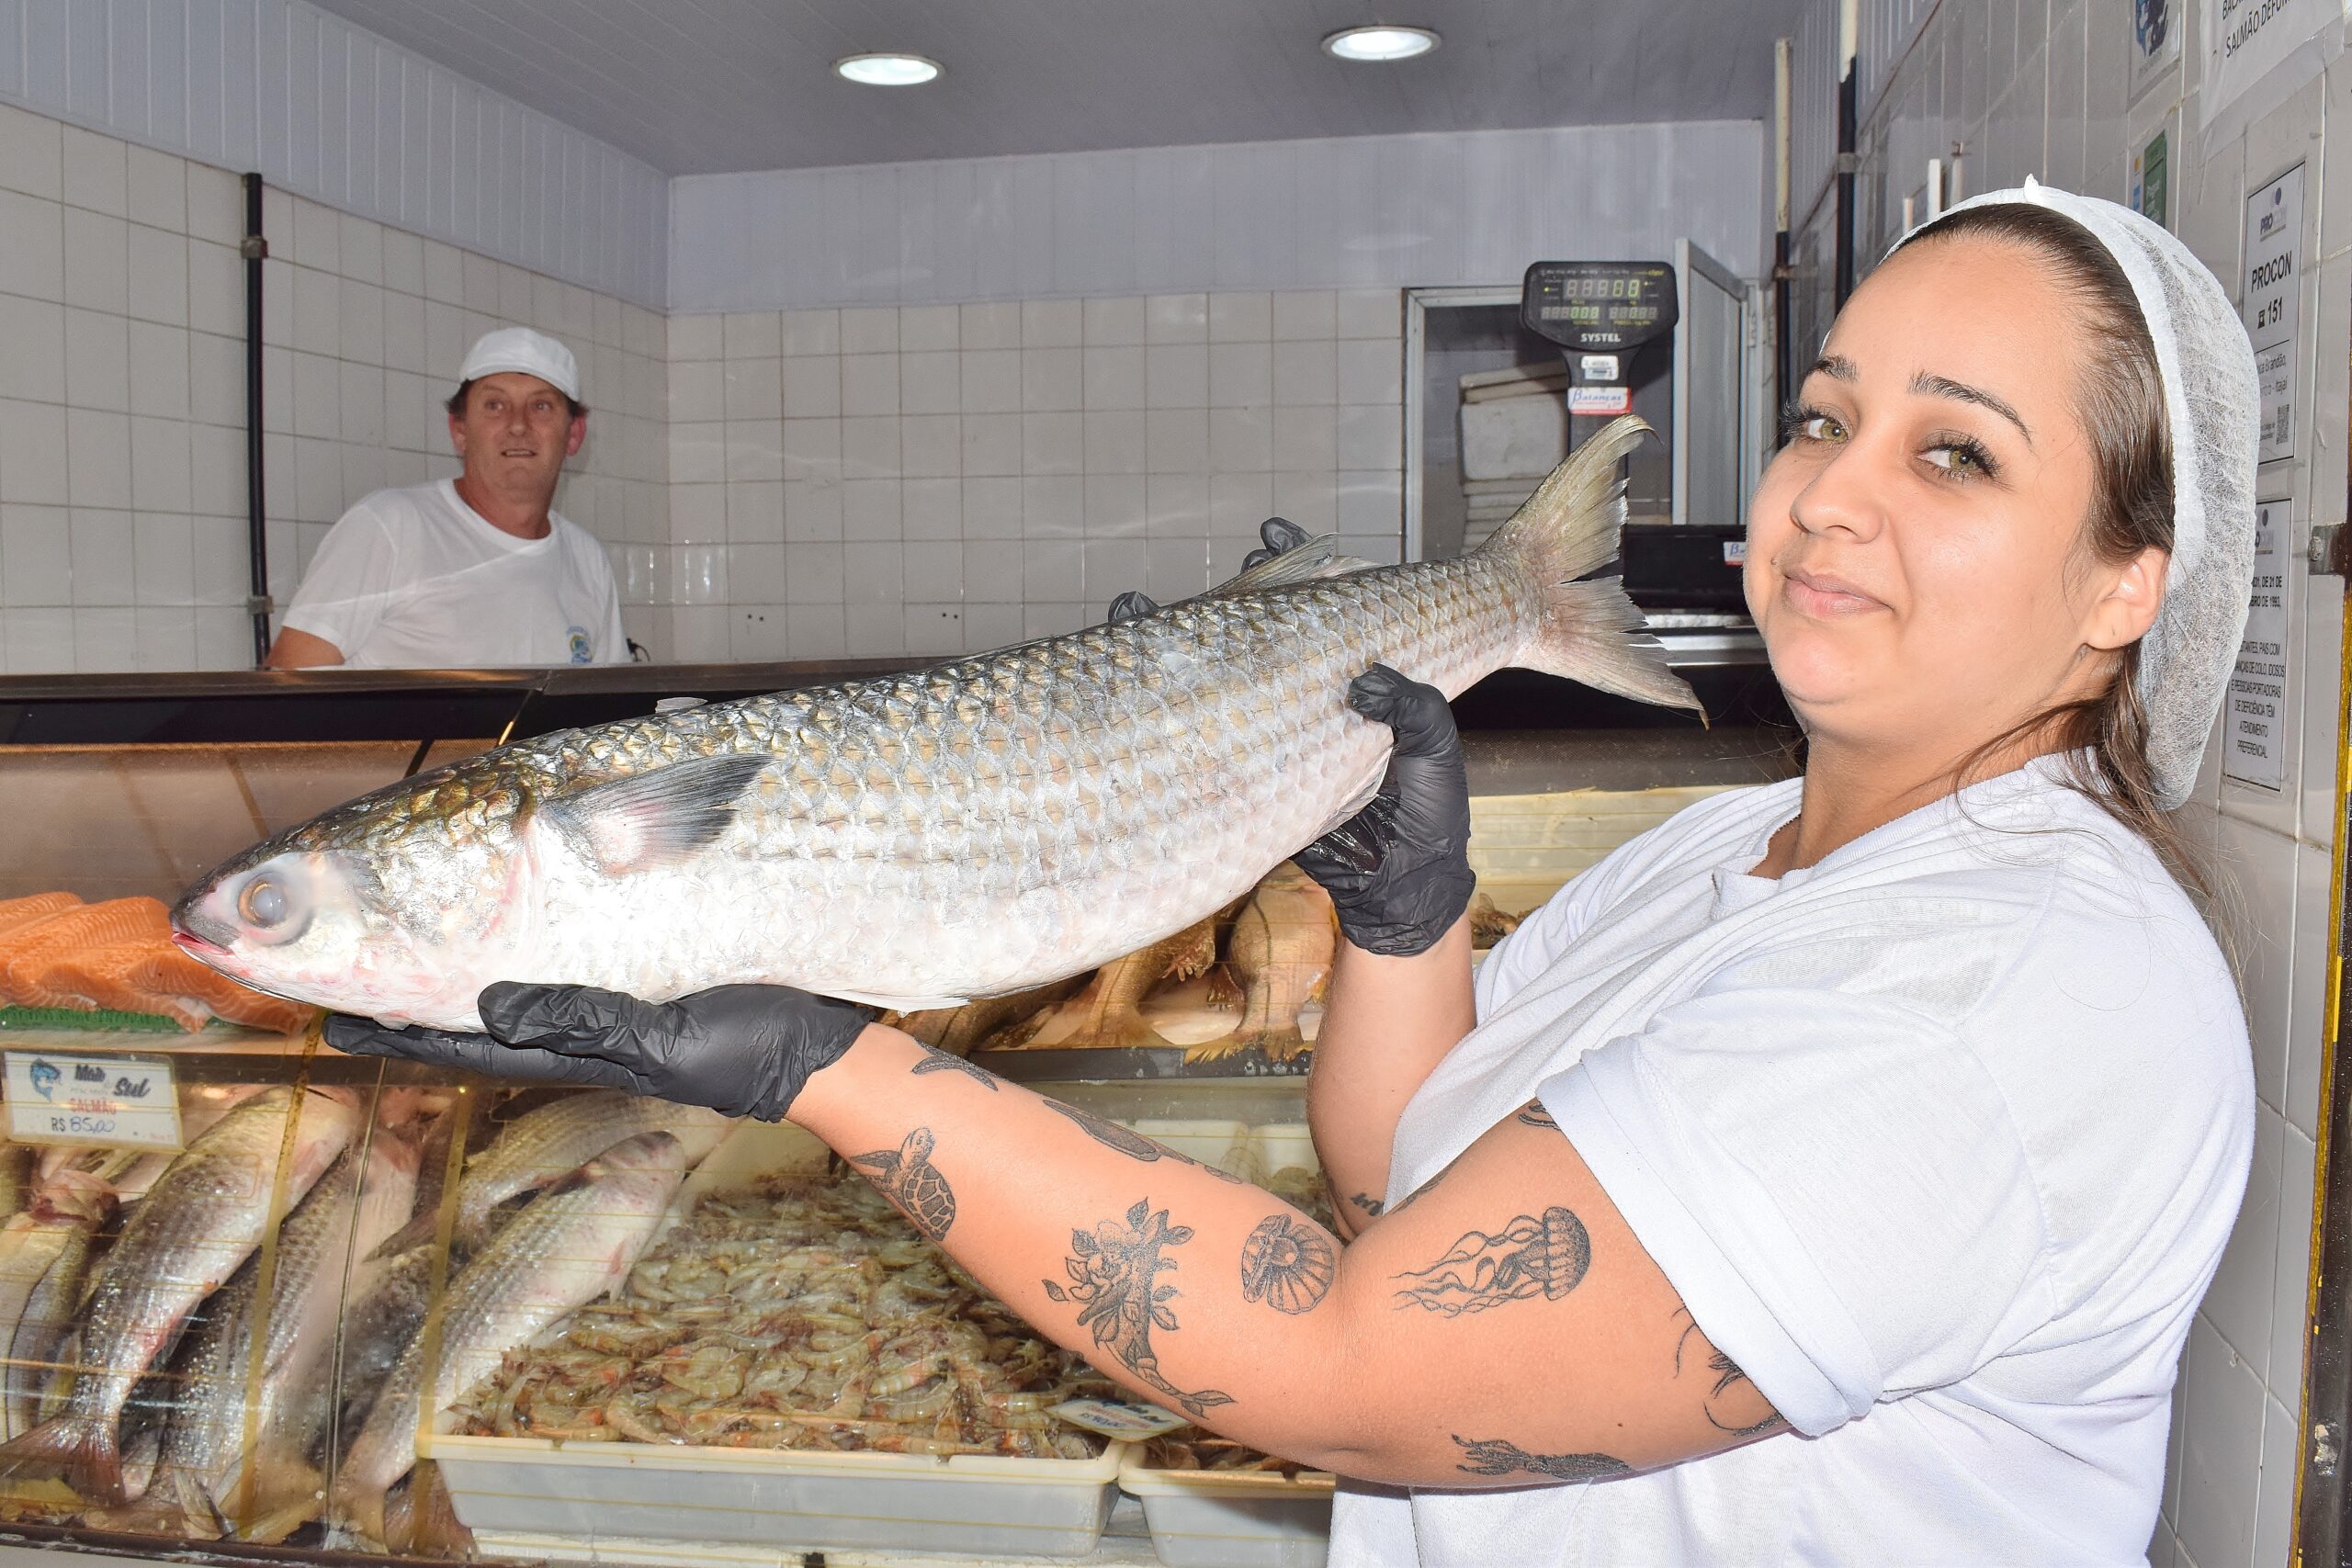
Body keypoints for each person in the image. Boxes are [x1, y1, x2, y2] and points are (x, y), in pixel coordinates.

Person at [331, 184, 2258, 1566]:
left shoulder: (2002, 991)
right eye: (1826, 414)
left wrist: (829, 1066)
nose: (1830, 489)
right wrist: (1403, 928)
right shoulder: (1724, 848)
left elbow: (1349, 1363)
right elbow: (1401, 1196)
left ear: (2123, 585)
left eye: (1956, 457)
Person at [266, 327, 629, 669]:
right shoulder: (390, 527)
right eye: (494, 405)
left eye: (541, 406)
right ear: (459, 430)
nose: (518, 425)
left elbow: (610, 717)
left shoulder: (587, 560)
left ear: (574, 434)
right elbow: (286, 690)